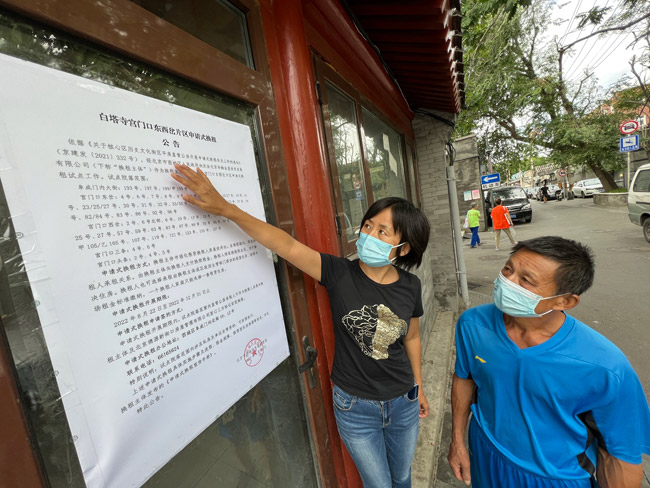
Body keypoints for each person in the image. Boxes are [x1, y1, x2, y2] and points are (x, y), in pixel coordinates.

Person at [171, 164, 431, 488]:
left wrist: (418, 386)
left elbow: (413, 336)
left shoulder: (410, 286)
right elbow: (287, 246)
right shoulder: (339, 273)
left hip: (403, 400)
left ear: (402, 248)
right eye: (367, 225)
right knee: (379, 485)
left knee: (403, 477)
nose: (368, 235)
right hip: (355, 406)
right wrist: (226, 209)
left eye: (382, 231)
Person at [448, 236, 650, 488]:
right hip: (486, 459)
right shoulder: (473, 324)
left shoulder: (605, 367)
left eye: (526, 280)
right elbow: (465, 377)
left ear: (565, 301)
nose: (507, 282)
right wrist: (457, 440)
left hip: (555, 478)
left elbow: (619, 457)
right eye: (508, 269)